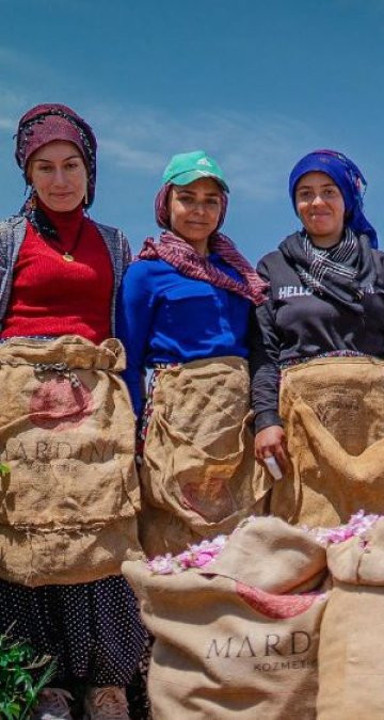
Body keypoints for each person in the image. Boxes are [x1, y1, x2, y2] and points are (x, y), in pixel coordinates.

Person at [0, 103, 144, 720]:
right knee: (29, 536)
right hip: (17, 401)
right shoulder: (8, 240)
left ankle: (107, 683)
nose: (60, 180)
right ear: (28, 176)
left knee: (100, 529)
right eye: (46, 168)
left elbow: (127, 330)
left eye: (72, 166)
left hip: (95, 403)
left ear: (91, 171)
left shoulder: (114, 243)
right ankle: (45, 682)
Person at [251, 150, 384, 527]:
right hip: (304, 425)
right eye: (305, 193)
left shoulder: (380, 267)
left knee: (383, 531)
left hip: (376, 421)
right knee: (307, 531)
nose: (316, 202)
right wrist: (266, 419)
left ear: (347, 199)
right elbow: (264, 353)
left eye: (328, 191)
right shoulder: (274, 267)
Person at [119, 150, 271, 556]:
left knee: (239, 517)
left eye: (211, 200)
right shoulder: (145, 273)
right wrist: (132, 432)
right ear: (166, 203)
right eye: (187, 198)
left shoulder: (239, 273)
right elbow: (128, 360)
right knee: (176, 517)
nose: (199, 210)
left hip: (236, 414)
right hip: (180, 413)